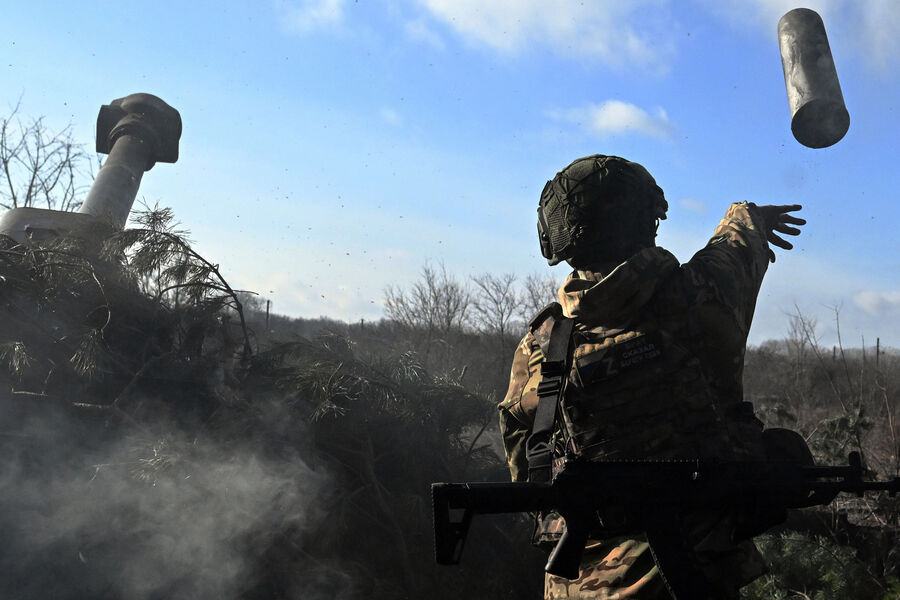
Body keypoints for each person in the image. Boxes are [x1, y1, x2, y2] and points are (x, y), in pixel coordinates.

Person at [498, 154, 805, 599]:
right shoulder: (700, 295)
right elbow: (735, 247)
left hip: (575, 587)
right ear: (647, 223)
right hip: (692, 580)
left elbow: (527, 464)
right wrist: (747, 215)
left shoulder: (540, 348)